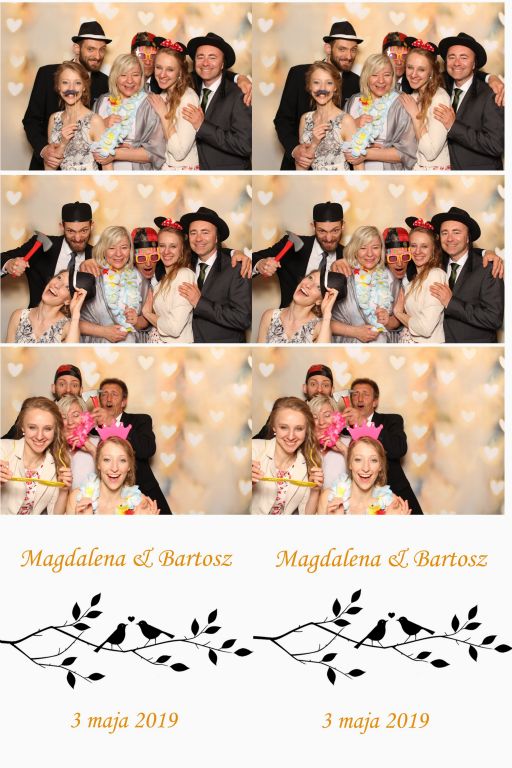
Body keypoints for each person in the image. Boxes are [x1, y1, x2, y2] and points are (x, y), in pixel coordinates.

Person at [22, 20, 111, 170]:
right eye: (91, 49)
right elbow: (31, 121)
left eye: (102, 50)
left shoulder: (105, 82)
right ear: (77, 48)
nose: (97, 56)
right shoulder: (47, 74)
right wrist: (45, 150)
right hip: (49, 166)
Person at [274, 20, 363, 169]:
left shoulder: (357, 83)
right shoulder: (299, 74)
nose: (349, 56)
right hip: (300, 166)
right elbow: (283, 120)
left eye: (353, 50)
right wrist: (295, 150)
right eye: (342, 49)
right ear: (328, 48)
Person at [343, 379, 423, 514]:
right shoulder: (344, 429)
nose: (360, 399)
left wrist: (364, 423)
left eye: (365, 394)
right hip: (359, 499)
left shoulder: (392, 420)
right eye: (355, 394)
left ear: (375, 401)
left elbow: (398, 449)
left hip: (395, 493)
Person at [94, 378, 172, 515]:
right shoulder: (92, 428)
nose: (108, 399)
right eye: (104, 394)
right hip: (108, 497)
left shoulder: (141, 420)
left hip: (143, 491)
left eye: (114, 394)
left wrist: (113, 423)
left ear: (123, 402)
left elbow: (147, 449)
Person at [253, 201, 348, 308]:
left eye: (335, 231)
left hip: (330, 318)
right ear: (313, 226)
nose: (329, 238)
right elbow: (253, 259)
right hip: (289, 316)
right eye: (322, 231)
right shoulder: (291, 245)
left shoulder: (348, 255)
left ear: (343, 226)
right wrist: (260, 264)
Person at [429, 207, 504, 342]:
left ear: (468, 237)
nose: (449, 238)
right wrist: (483, 251)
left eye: (456, 232)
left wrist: (451, 303)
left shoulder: (488, 268)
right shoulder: (436, 265)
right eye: (445, 233)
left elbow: (494, 319)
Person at [178, 207, 251, 342]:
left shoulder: (236, 268)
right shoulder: (185, 265)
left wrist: (200, 303)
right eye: (193, 233)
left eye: (205, 232)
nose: (198, 238)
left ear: (217, 237)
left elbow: (243, 318)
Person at [1, 201, 94, 308]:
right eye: (71, 231)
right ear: (62, 227)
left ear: (92, 226)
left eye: (84, 231)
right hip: (38, 316)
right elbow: (2, 258)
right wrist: (9, 264)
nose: (77, 238)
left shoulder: (97, 255)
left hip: (79, 318)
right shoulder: (39, 245)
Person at [182, 32, 252, 170]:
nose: (205, 63)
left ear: (222, 64)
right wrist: (237, 76)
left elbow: (245, 145)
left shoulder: (240, 94)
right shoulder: (189, 86)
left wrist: (202, 126)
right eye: (200, 57)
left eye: (212, 57)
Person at [434, 33, 504, 170]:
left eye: (464, 57)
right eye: (451, 57)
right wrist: (489, 76)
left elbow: (495, 145)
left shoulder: (491, 94)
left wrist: (453, 126)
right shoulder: (441, 86)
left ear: (474, 64)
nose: (457, 63)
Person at [344, 53, 417, 170]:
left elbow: (408, 152)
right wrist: (353, 125)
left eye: (387, 75)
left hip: (387, 175)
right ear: (366, 76)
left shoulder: (401, 103)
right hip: (355, 174)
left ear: (393, 77)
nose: (381, 81)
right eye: (374, 75)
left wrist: (366, 154)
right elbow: (337, 142)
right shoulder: (353, 101)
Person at [93, 54, 166, 170]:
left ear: (142, 77)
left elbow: (157, 151)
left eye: (135, 75)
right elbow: (86, 142)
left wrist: (115, 154)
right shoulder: (102, 101)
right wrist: (102, 124)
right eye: (123, 75)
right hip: (103, 173)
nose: (130, 80)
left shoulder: (151, 103)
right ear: (115, 77)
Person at [251, 397, 323, 515]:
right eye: (284, 427)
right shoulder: (253, 450)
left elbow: (306, 516)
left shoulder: (309, 463)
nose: (291, 436)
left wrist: (315, 491)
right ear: (274, 426)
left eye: (299, 429)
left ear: (306, 430)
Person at [1, 397, 71, 515]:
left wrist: (64, 491)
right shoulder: (2, 450)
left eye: (47, 429)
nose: (39, 436)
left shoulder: (58, 463)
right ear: (22, 426)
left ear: (55, 430)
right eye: (32, 427)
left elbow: (55, 516)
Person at [79, 226, 146, 344]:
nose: (118, 254)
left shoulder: (140, 278)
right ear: (103, 250)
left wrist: (136, 320)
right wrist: (104, 332)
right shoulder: (91, 275)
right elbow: (71, 321)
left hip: (132, 344)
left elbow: (146, 320)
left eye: (124, 247)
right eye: (111, 248)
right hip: (97, 345)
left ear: (130, 249)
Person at [330, 226, 397, 343]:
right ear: (355, 250)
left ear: (381, 249)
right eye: (363, 248)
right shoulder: (343, 274)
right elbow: (322, 321)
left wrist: (387, 320)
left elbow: (397, 320)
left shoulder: (391, 277)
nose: (370, 254)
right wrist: (355, 332)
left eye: (375, 247)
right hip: (348, 347)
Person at [317, 435, 411, 515]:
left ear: (380, 466)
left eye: (373, 460)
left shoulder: (392, 504)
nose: (366, 468)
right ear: (350, 464)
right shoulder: (327, 499)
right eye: (358, 459)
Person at [66, 436, 159, 515]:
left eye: (122, 460)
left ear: (129, 466)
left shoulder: (140, 503)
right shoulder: (76, 499)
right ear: (98, 464)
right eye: (107, 459)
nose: (114, 468)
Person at [392, 218, 447, 343]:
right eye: (413, 246)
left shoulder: (435, 275)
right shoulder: (413, 281)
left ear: (433, 249)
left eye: (424, 246)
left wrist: (399, 313)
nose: (417, 251)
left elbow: (425, 328)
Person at [398, 39, 451, 169]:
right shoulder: (414, 95)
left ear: (431, 72)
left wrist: (415, 114)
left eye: (421, 69)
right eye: (410, 67)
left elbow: (430, 152)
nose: (413, 74)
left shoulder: (439, 98)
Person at [147, 40, 200, 170]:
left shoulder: (188, 99)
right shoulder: (163, 95)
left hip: (181, 169)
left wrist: (163, 114)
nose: (162, 74)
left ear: (180, 72)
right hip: (163, 168)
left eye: (170, 69)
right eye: (158, 67)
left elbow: (179, 153)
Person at [142, 218, 196, 343]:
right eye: (162, 246)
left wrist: (148, 314)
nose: (166, 252)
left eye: (173, 246)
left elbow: (174, 328)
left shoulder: (184, 275)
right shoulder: (162, 281)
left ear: (182, 250)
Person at [297, 62, 357, 171]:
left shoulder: (346, 121)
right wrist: (314, 144)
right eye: (316, 82)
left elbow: (358, 167)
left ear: (335, 87)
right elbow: (301, 168)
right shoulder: (305, 119)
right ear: (309, 86)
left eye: (329, 83)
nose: (322, 88)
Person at [46, 61, 105, 171]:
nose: (71, 88)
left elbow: (107, 166)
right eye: (65, 82)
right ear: (58, 86)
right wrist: (62, 144)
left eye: (77, 83)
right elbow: (49, 168)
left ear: (84, 87)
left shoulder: (95, 121)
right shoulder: (54, 119)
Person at [252, 363, 335, 440]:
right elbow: (259, 441)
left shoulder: (337, 417)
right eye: (313, 384)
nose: (319, 389)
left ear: (332, 390)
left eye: (325, 385)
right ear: (305, 388)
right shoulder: (286, 410)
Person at [2, 364, 83, 440]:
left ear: (81, 390)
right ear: (53, 388)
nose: (68, 390)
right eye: (62, 384)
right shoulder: (35, 410)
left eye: (74, 385)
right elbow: (7, 441)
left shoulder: (86, 417)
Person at [257, 270, 338, 343]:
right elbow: (259, 353)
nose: (308, 285)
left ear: (319, 301)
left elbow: (323, 353)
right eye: (310, 278)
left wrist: (327, 314)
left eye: (318, 287)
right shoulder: (270, 316)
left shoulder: (320, 326)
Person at [5, 270, 86, 343]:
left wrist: (75, 314)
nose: (57, 285)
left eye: (67, 287)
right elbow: (8, 353)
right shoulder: (18, 315)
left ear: (68, 301)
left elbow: (71, 353)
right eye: (59, 278)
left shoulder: (68, 327)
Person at [57, 395, 99, 489]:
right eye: (64, 417)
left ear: (85, 417)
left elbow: (112, 476)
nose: (70, 422)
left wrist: (92, 450)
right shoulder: (53, 447)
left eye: (76, 415)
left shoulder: (99, 442)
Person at [308, 394, 349, 489]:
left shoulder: (349, 443)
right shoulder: (303, 447)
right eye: (315, 417)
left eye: (327, 415)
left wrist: (344, 450)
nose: (321, 422)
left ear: (337, 417)